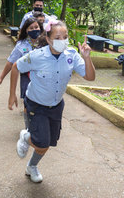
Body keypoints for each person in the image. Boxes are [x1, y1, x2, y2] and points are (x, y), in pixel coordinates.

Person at [8, 20, 95, 183]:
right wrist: (12, 95)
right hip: (36, 105)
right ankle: (26, 137)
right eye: (58, 37)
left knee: (48, 143)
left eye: (65, 37)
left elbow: (90, 77)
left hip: (56, 106)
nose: (62, 41)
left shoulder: (72, 55)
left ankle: (31, 166)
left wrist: (87, 57)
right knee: (42, 143)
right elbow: (15, 67)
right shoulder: (37, 56)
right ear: (48, 39)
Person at [0, 18, 42, 128]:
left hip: (42, 78)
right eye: (31, 28)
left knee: (40, 104)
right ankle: (28, 128)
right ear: (26, 30)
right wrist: (1, 78)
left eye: (36, 27)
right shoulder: (21, 45)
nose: (35, 30)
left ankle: (39, 125)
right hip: (27, 78)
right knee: (28, 104)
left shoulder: (45, 42)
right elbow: (11, 63)